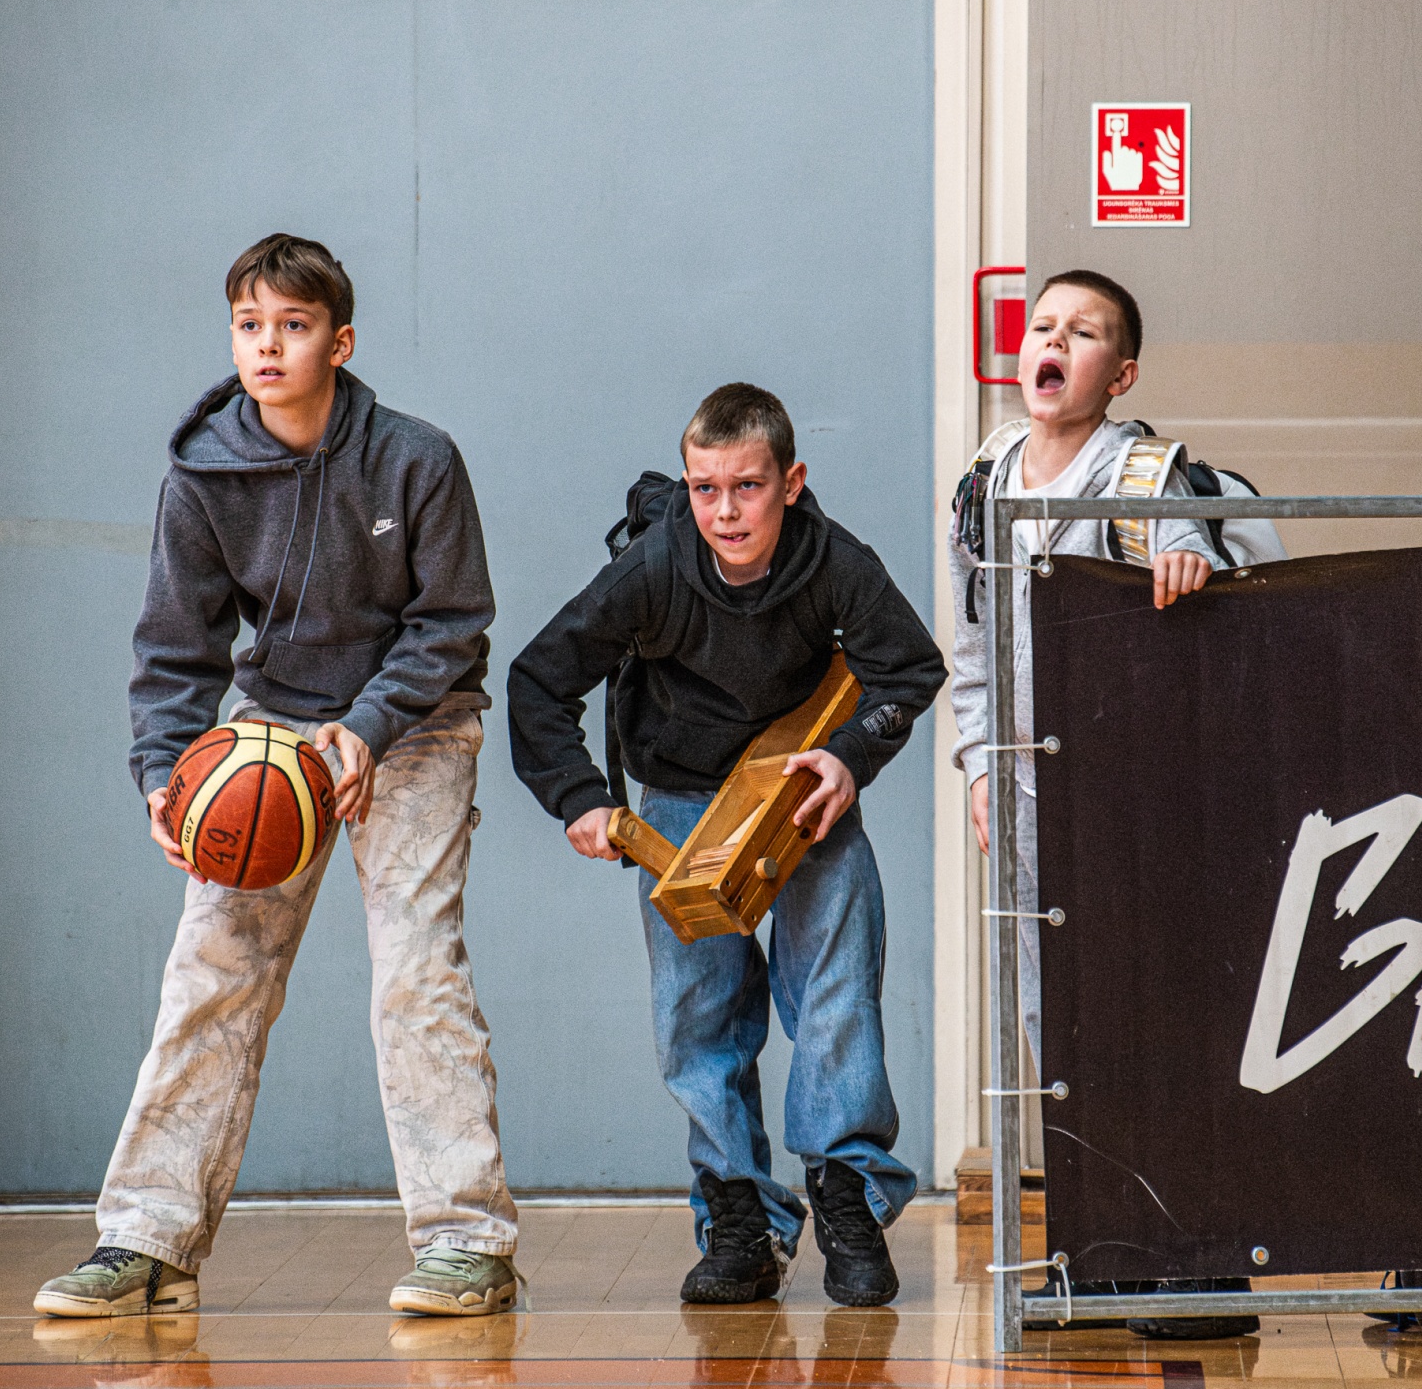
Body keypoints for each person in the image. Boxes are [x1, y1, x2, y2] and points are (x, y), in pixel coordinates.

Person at [31, 234, 521, 1321]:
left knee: (417, 975)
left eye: (293, 326)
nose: (268, 345)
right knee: (210, 970)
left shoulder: (417, 459)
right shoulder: (203, 474)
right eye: (250, 325)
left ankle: (467, 1243)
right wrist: (163, 777)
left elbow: (454, 621)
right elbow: (176, 648)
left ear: (338, 344)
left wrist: (369, 727)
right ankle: (147, 1238)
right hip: (273, 735)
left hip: (417, 726)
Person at [507, 383, 946, 1308]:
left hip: (802, 791)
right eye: (705, 489)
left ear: (791, 481)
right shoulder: (654, 568)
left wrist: (851, 757)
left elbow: (910, 668)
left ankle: (848, 1198)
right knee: (698, 1017)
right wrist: (579, 797)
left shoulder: (835, 562)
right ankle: (739, 1219)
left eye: (747, 487)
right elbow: (538, 681)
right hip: (679, 798)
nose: (726, 512)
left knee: (834, 995)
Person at [946, 269, 1252, 1340]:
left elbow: (1205, 546)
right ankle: (1108, 1250)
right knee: (1057, 1022)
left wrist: (1187, 552)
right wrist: (979, 764)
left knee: (1158, 1016)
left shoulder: (1150, 472)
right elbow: (973, 644)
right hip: (1031, 794)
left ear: (1118, 376)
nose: (1054, 342)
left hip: (1136, 795)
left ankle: (1202, 1268)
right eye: (1042, 326)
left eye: (1082, 333)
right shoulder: (983, 478)